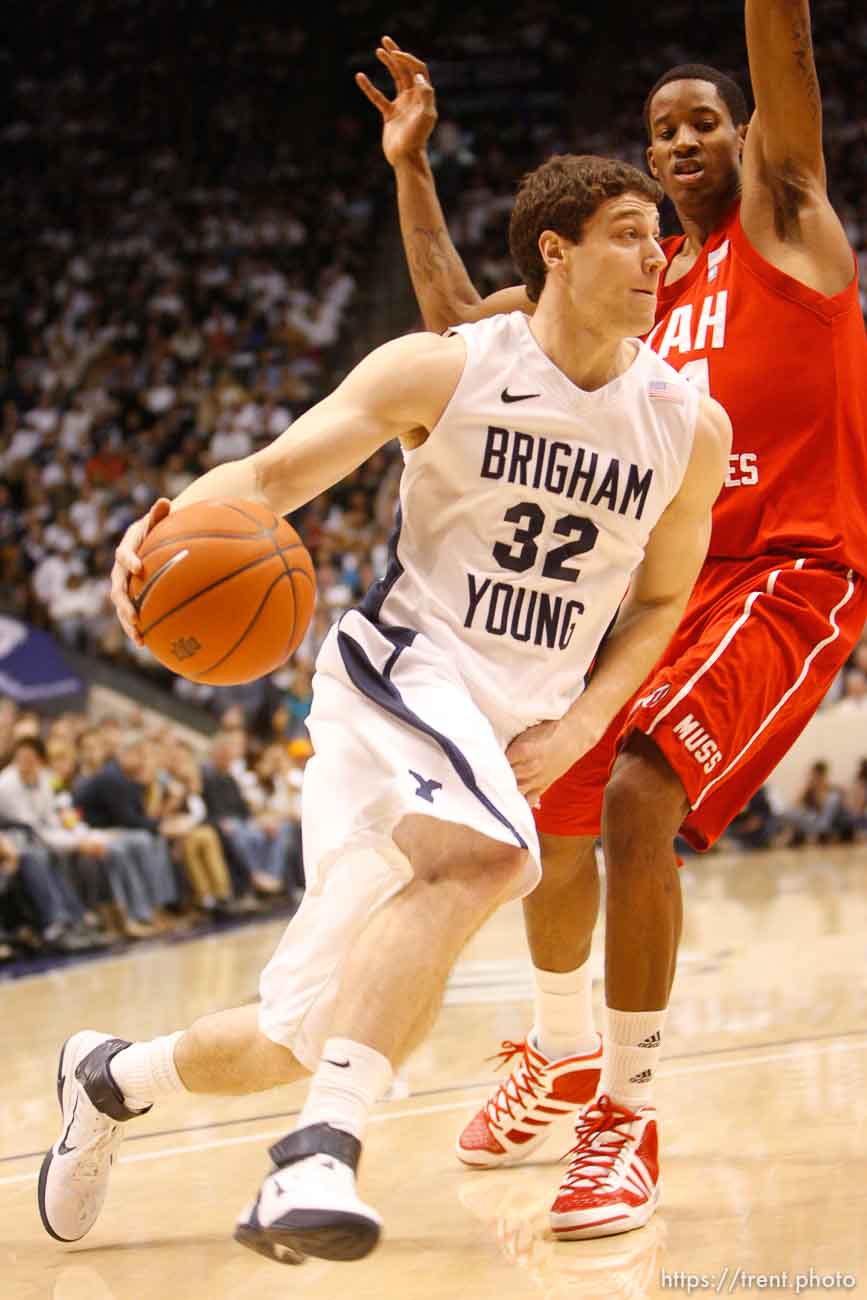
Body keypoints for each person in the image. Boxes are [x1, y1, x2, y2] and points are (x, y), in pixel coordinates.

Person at [37, 152, 729, 1266]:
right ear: (554, 250)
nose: (660, 255)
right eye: (629, 233)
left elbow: (659, 604)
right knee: (497, 859)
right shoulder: (443, 369)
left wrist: (584, 722)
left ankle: (111, 1076)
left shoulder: (688, 427)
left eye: (661, 239)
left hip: (502, 730)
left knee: (289, 1035)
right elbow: (265, 480)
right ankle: (316, 1155)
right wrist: (159, 529)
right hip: (400, 673)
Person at [357, 1, 867, 1240]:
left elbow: (785, 52)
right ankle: (567, 1045)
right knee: (549, 798)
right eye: (660, 130)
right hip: (670, 592)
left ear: (749, 136)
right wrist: (413, 168)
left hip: (793, 573)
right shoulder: (647, 291)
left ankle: (625, 1117)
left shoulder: (787, 227)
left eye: (704, 121)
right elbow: (461, 330)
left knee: (641, 796)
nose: (681, 139)